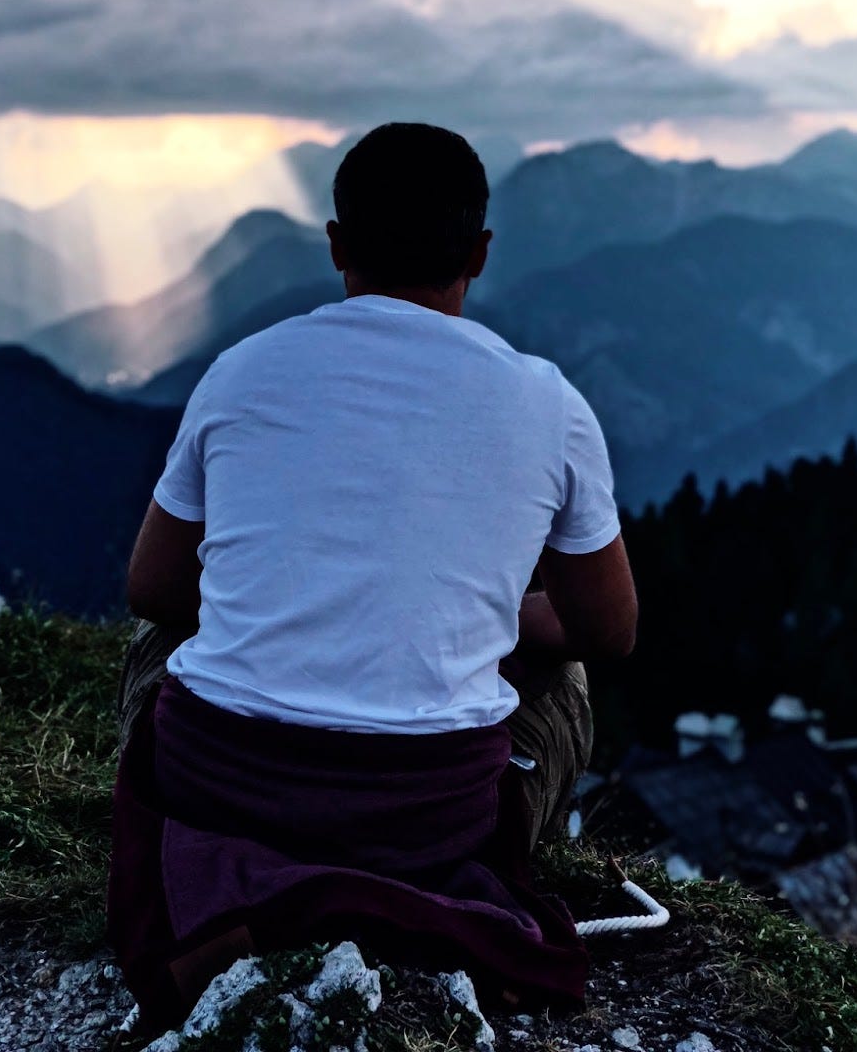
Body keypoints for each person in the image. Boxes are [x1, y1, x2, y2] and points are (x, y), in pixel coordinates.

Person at [108, 122, 638, 1032]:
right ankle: (424, 898)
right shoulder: (548, 403)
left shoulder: (242, 372)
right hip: (427, 821)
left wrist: (280, 600)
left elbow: (153, 591)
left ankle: (237, 884)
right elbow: (608, 631)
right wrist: (480, 622)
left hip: (218, 788)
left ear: (337, 246)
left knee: (162, 644)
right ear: (479, 252)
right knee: (571, 678)